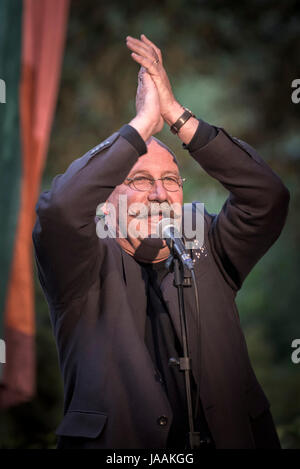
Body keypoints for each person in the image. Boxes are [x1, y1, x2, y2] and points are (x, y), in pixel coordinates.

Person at [32, 35, 289, 449]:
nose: (159, 194)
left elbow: (268, 198)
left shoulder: (205, 240)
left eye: (170, 180)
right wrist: (141, 127)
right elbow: (60, 210)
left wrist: (174, 114)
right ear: (106, 198)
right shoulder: (82, 259)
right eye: (139, 181)